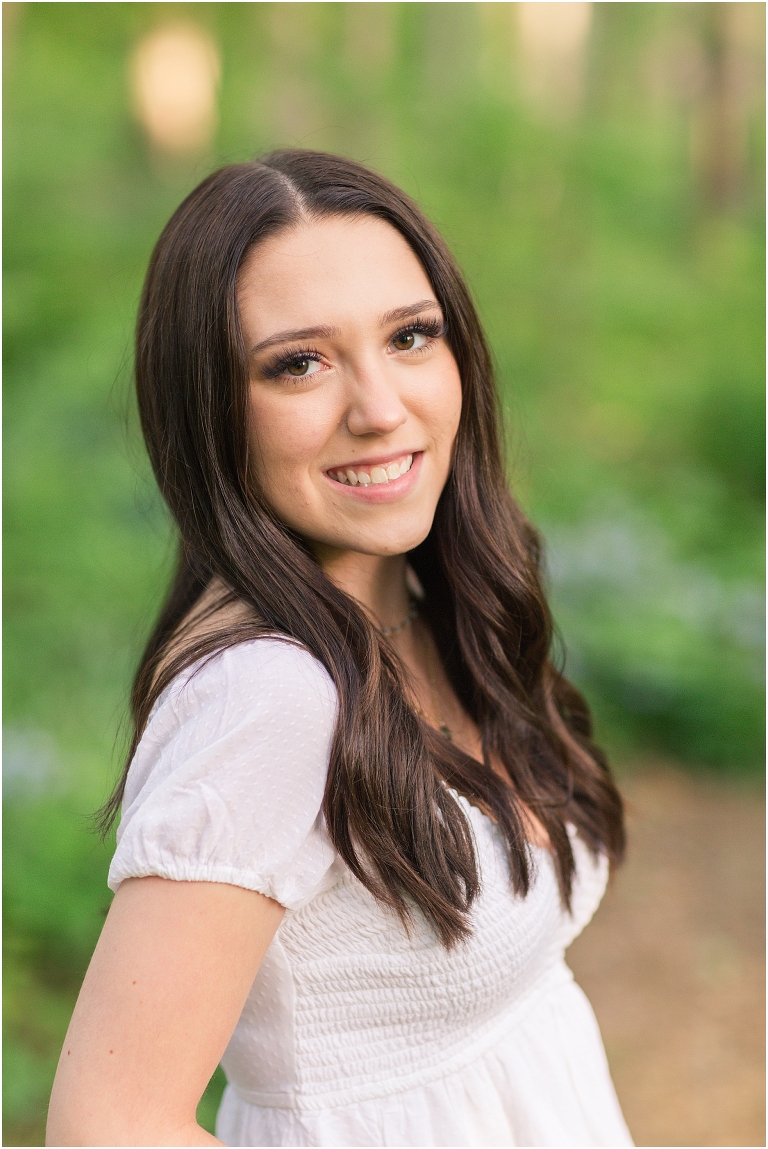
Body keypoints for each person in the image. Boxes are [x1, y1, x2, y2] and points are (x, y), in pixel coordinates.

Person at [46, 150, 632, 1148]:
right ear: (209, 408)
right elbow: (111, 1124)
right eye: (299, 362)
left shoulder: (433, 605)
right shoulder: (268, 696)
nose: (380, 407)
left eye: (410, 336)